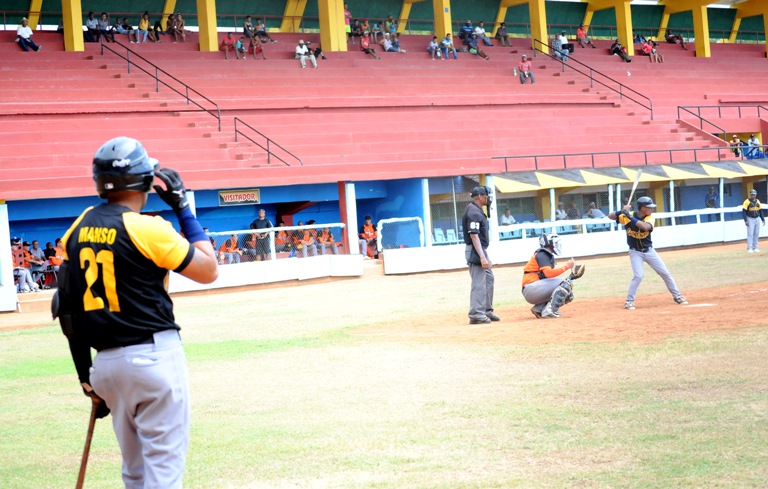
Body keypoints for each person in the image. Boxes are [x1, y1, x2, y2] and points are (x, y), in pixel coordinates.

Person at [54, 137, 218, 488]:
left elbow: (66, 309)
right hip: (154, 359)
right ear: (145, 182)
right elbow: (208, 270)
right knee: (162, 472)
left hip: (107, 367)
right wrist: (184, 209)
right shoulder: (148, 228)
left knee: (136, 472)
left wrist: (87, 376)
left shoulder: (77, 227)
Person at [608, 196, 687, 310]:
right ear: (643, 208)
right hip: (635, 252)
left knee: (665, 273)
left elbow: (645, 227)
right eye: (650, 207)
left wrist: (629, 216)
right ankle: (629, 301)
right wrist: (621, 211)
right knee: (638, 275)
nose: (652, 209)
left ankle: (677, 296)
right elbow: (610, 216)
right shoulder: (627, 215)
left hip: (649, 251)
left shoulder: (649, 218)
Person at [522, 233, 585, 318]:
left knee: (568, 295)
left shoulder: (545, 254)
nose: (557, 245)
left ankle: (539, 309)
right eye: (555, 243)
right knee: (566, 283)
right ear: (549, 243)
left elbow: (548, 278)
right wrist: (567, 267)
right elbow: (549, 274)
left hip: (532, 290)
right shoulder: (543, 254)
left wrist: (571, 276)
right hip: (531, 288)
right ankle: (549, 311)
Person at [463, 186, 498, 324]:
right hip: (475, 250)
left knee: (489, 278)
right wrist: (482, 257)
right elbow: (474, 236)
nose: (488, 198)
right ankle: (476, 313)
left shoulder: (476, 210)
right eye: (486, 196)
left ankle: (486, 310)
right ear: (479, 197)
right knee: (479, 282)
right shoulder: (473, 212)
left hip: (480, 249)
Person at [743, 189, 764, 253]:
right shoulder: (747, 201)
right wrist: (746, 220)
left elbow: (760, 210)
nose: (753, 196)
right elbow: (744, 211)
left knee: (756, 233)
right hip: (750, 218)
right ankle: (749, 248)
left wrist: (762, 219)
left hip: (757, 218)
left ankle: (755, 247)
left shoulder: (758, 201)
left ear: (755, 195)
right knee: (750, 233)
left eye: (754, 194)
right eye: (752, 194)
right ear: (750, 195)